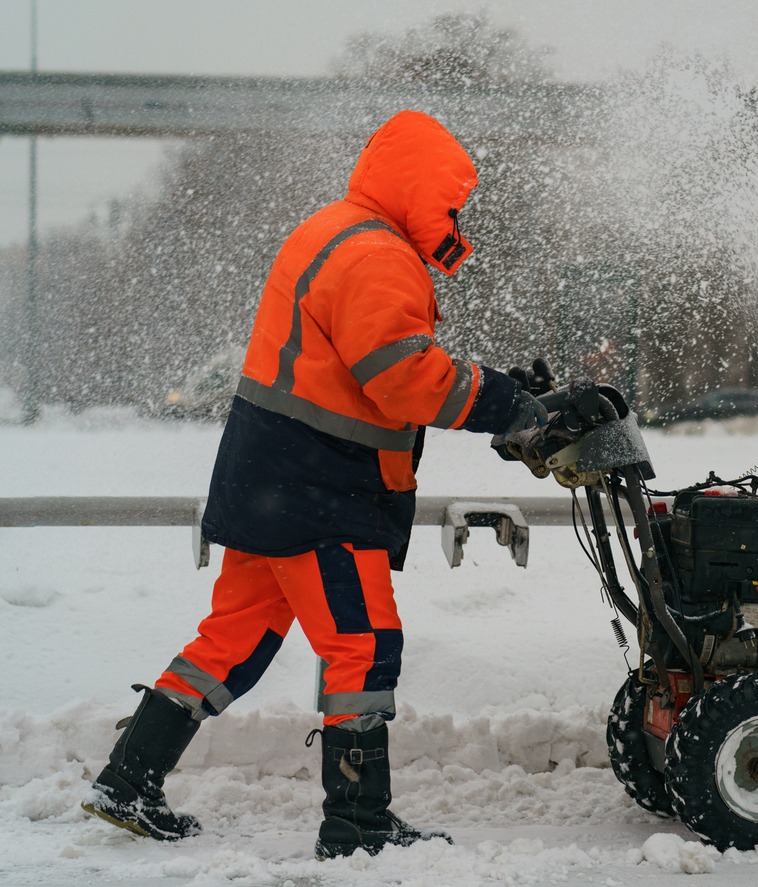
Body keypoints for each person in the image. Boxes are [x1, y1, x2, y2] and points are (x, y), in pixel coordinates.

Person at [81, 110, 547, 859]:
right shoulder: (377, 256)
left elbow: (379, 357)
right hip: (321, 490)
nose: (457, 219)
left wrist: (497, 389)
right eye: (452, 203)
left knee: (229, 640)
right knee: (362, 644)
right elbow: (399, 375)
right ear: (423, 189)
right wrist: (503, 402)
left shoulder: (335, 231)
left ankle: (127, 779)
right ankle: (357, 822)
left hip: (268, 479)